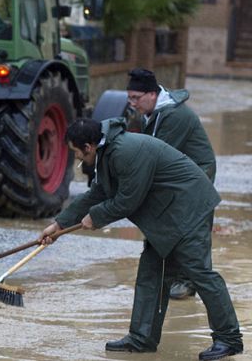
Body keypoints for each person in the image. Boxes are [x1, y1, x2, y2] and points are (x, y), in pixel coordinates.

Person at [41, 118, 243, 360]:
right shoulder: (108, 152)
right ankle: (141, 339)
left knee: (199, 273)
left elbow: (128, 200)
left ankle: (229, 339)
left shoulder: (125, 151)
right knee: (151, 274)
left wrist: (95, 217)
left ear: (88, 146)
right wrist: (59, 224)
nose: (78, 159)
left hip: (189, 208)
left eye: (77, 153)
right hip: (166, 215)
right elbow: (99, 191)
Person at [126, 68, 217, 299]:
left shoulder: (174, 116)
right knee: (169, 221)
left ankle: (188, 282)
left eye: (136, 98)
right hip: (177, 171)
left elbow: (155, 156)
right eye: (129, 98)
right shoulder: (154, 112)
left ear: (152, 94)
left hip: (197, 173)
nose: (132, 103)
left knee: (192, 226)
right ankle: (173, 276)